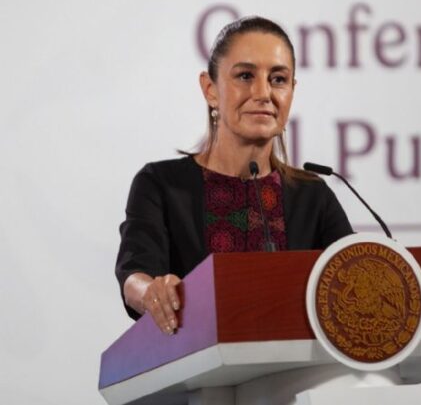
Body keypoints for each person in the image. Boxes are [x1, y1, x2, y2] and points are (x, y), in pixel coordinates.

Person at [115, 17, 353, 335]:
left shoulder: (312, 194)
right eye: (245, 76)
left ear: (291, 92)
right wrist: (152, 292)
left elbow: (356, 278)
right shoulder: (160, 184)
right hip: (193, 363)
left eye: (278, 79)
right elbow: (135, 274)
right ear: (210, 89)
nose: (263, 92)